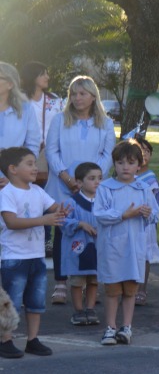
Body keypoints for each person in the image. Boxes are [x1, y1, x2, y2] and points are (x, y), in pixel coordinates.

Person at [45, 75, 115, 304]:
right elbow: (52, 151)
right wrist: (66, 177)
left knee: (93, 232)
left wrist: (91, 178)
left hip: (92, 188)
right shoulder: (60, 120)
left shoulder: (105, 123)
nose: (77, 98)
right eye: (73, 94)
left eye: (82, 93)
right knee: (64, 230)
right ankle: (61, 282)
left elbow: (107, 154)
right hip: (63, 186)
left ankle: (90, 283)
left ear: (93, 96)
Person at [0, 146, 69, 357]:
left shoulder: (38, 191)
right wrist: (44, 220)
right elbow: (11, 222)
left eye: (35, 163)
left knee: (36, 302)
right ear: (12, 169)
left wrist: (64, 210)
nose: (35, 168)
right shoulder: (7, 193)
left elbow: (55, 208)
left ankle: (33, 339)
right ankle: (5, 340)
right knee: (10, 302)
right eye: (29, 164)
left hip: (36, 257)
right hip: (14, 258)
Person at [93, 139, 159, 346]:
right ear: (114, 164)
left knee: (130, 290)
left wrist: (147, 213)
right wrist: (124, 214)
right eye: (120, 163)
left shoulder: (143, 188)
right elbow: (100, 214)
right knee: (112, 290)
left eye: (130, 163)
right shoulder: (105, 187)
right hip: (112, 248)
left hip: (134, 248)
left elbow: (154, 214)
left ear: (139, 165)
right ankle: (110, 327)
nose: (125, 167)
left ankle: (127, 327)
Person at [62, 162, 102, 326]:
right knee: (78, 281)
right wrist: (80, 224)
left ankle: (90, 308)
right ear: (79, 182)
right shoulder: (72, 202)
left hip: (98, 248)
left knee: (94, 280)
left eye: (100, 178)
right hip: (78, 249)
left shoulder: (103, 201)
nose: (97, 182)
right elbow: (62, 222)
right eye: (92, 178)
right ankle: (78, 310)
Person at [20, 61, 62, 187]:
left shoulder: (54, 100)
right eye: (43, 74)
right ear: (32, 76)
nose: (47, 77)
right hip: (22, 152)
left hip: (50, 154)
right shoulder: (18, 100)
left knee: (45, 189)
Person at [0, 62, 42, 184]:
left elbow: (33, 144)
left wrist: (16, 175)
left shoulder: (26, 110)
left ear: (10, 84)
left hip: (14, 178)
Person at [133, 137, 159, 305]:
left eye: (146, 151)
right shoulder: (125, 176)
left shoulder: (150, 179)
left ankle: (142, 289)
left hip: (146, 223)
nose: (143, 153)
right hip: (129, 222)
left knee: (144, 256)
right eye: (139, 149)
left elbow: (155, 204)